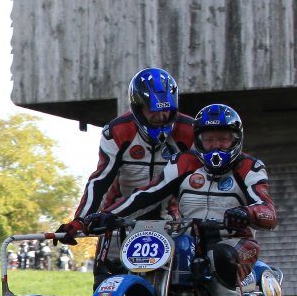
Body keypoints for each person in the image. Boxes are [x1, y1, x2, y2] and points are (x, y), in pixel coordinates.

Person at [84, 103, 277, 296]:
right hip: (191, 237)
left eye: (223, 139)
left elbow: (268, 210)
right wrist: (107, 215)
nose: (216, 145)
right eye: (209, 139)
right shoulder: (184, 162)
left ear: (235, 139)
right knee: (164, 257)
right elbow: (147, 194)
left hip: (235, 241)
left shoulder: (249, 167)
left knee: (221, 258)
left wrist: (247, 213)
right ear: (198, 140)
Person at [57, 67, 196, 280]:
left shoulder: (190, 130)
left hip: (170, 220)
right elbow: (100, 181)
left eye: (166, 109)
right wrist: (80, 220)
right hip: (117, 219)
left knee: (183, 281)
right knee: (105, 282)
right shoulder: (116, 131)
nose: (160, 116)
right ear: (138, 108)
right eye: (152, 110)